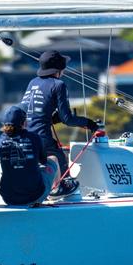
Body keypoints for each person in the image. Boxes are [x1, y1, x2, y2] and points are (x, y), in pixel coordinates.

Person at [20, 50, 98, 196]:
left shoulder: (33, 82)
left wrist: (54, 118)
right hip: (41, 137)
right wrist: (90, 123)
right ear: (60, 69)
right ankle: (61, 188)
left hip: (24, 135)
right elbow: (67, 119)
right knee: (58, 156)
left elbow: (35, 112)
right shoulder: (58, 85)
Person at [0, 106, 58, 206]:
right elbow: (43, 161)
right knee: (54, 159)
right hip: (34, 197)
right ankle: (55, 192)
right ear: (23, 122)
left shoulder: (0, 141)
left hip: (8, 198)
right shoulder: (34, 138)